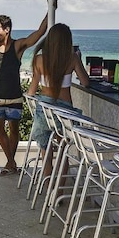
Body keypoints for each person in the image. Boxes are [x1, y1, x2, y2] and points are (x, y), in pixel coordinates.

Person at [0, 12, 48, 176]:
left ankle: (9, 164)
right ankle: (12, 163)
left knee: (14, 129)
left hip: (15, 96)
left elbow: (38, 34)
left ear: (7, 29)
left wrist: (50, 11)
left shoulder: (18, 46)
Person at [27, 23, 89, 175]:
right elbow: (86, 82)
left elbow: (31, 91)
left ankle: (49, 190)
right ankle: (59, 196)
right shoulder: (72, 58)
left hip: (45, 111)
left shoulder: (39, 59)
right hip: (64, 113)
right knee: (63, 154)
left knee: (46, 153)